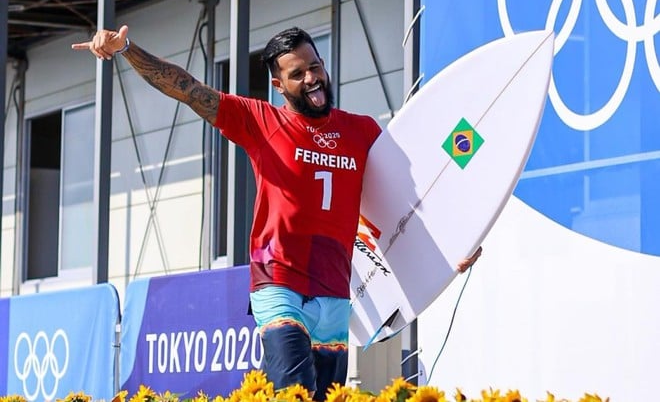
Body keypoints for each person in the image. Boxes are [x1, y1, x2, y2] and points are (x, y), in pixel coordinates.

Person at [72, 25, 482, 400]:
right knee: (293, 391)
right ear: (278, 85)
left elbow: (408, 202)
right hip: (278, 283)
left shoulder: (364, 132)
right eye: (298, 73)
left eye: (315, 67)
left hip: (336, 291)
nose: (312, 79)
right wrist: (127, 48)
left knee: (325, 397)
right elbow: (187, 88)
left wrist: (447, 252)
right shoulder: (260, 121)